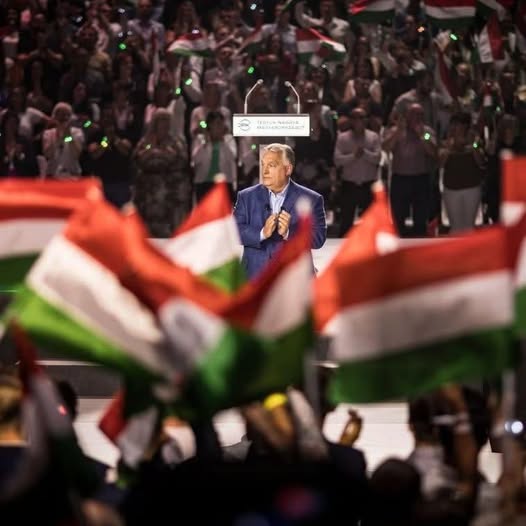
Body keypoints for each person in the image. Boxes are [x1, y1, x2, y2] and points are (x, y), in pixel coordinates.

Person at [233, 143, 327, 280]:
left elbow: (318, 239)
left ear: (288, 169)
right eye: (263, 165)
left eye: (271, 165)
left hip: (294, 279)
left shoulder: (312, 199)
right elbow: (234, 231)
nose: (264, 171)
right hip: (255, 279)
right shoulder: (246, 197)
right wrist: (262, 233)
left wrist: (290, 232)